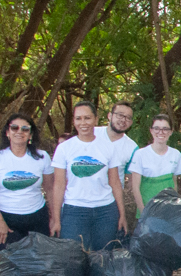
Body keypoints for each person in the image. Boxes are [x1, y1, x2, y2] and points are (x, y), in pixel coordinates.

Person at [50, 101, 126, 249]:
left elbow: (115, 182)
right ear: (73, 121)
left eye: (87, 118)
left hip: (105, 211)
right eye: (78, 118)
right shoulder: (64, 148)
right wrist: (56, 218)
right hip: (74, 210)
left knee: (103, 258)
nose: (83, 123)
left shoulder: (108, 147)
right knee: (74, 258)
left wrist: (122, 214)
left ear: (96, 119)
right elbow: (58, 185)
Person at [0, 114, 53, 252]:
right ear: (7, 133)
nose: (19, 132)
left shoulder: (42, 157)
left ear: (30, 134)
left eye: (25, 129)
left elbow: (50, 189)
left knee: (38, 265)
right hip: (6, 218)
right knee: (11, 265)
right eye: (14, 128)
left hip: (37, 218)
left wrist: (55, 218)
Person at [128, 113, 181, 215]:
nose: (160, 132)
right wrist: (143, 212)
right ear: (151, 130)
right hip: (147, 211)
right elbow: (135, 187)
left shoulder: (176, 154)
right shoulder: (140, 154)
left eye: (165, 129)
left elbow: (174, 184)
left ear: (171, 132)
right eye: (156, 128)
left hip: (168, 212)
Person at [92, 101, 138, 192]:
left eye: (128, 118)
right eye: (120, 115)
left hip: (112, 200)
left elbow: (132, 181)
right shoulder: (92, 134)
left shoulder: (132, 148)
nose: (123, 120)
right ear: (109, 116)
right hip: (82, 197)